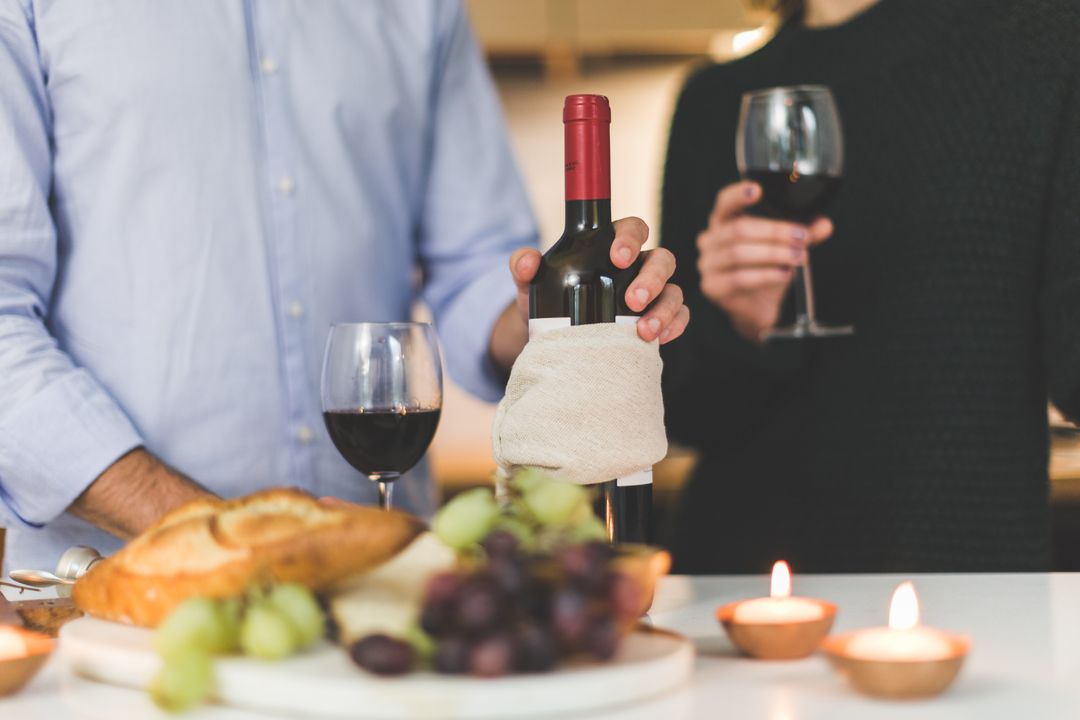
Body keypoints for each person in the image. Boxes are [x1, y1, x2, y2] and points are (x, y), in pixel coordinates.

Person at [0, 1, 688, 571]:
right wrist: (212, 537)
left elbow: (478, 264)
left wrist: (565, 316)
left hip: (376, 584)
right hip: (114, 583)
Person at [659, 0, 1080, 573]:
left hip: (963, 576)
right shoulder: (714, 98)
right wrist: (743, 327)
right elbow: (685, 414)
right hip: (740, 585)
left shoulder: (1051, 41)